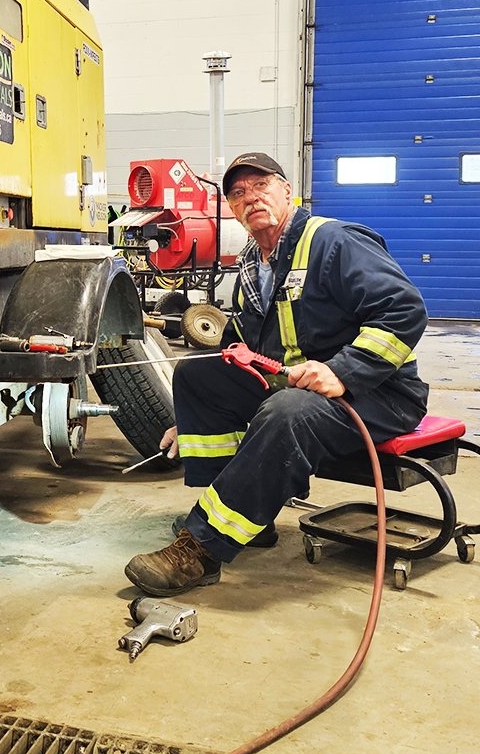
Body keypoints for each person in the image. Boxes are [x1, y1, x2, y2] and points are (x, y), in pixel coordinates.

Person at [125, 152, 429, 596]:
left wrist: (343, 371)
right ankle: (248, 520)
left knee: (287, 411)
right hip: (298, 385)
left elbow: (404, 310)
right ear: (231, 208)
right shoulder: (254, 263)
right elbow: (239, 344)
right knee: (199, 373)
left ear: (287, 191)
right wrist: (188, 417)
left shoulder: (335, 242)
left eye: (261, 186)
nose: (251, 198)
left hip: (380, 394)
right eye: (238, 193)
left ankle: (203, 548)